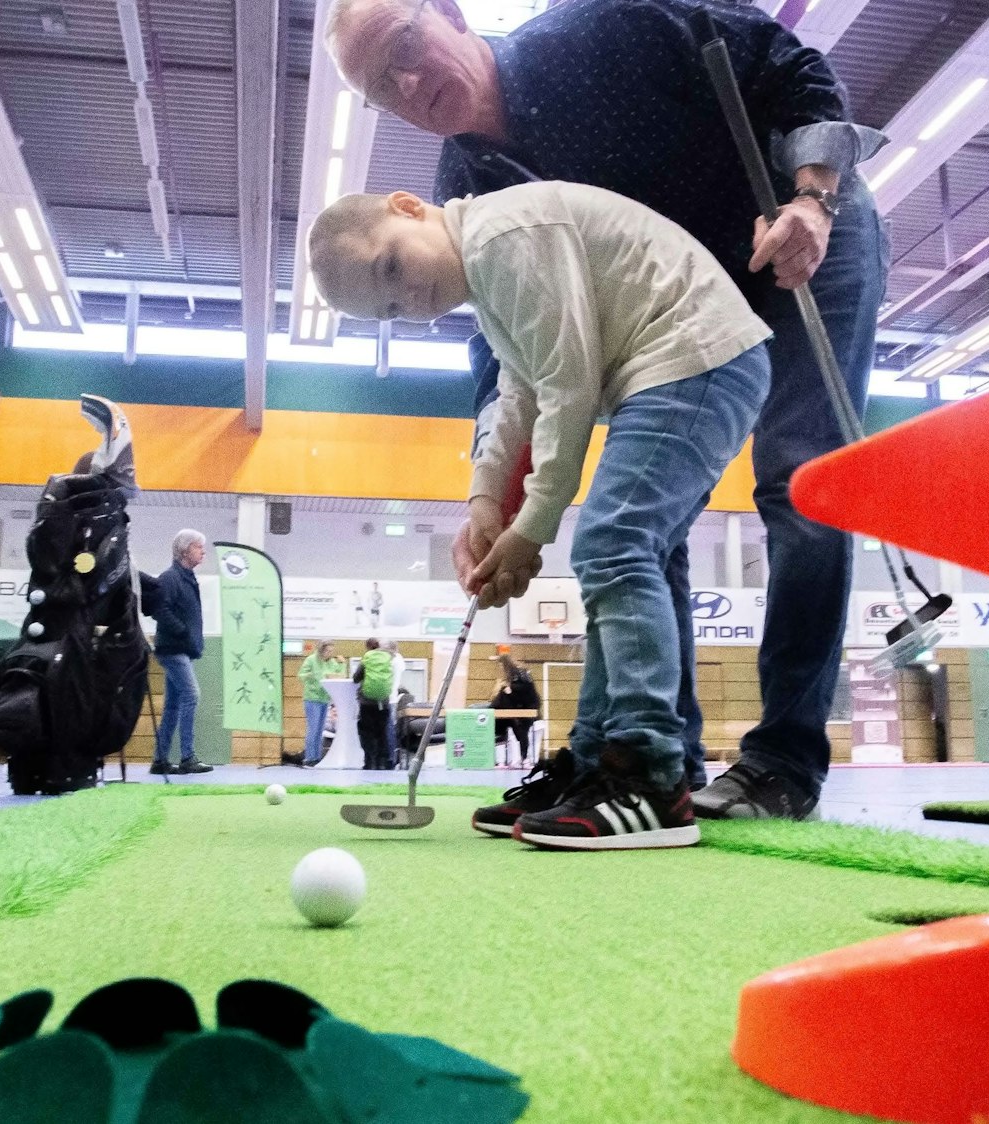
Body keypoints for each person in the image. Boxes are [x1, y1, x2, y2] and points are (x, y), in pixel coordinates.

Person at [326, 0, 886, 821]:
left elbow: (784, 65)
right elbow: (507, 360)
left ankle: (783, 761)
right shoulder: (466, 193)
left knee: (800, 483)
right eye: (381, 85)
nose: (406, 81)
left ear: (447, 13)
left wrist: (813, 199)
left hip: (793, 236)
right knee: (638, 519)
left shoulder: (601, 32)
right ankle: (650, 752)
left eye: (406, 46)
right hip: (675, 320)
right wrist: (494, 496)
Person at [309, 179, 769, 849]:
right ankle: (596, 764)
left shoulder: (503, 237)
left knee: (613, 543)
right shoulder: (491, 284)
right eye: (388, 308)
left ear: (409, 208)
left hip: (694, 355)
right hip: (690, 364)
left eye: (392, 268)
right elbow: (517, 391)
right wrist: (486, 503)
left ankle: (646, 775)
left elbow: (568, 383)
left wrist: (531, 527)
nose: (407, 299)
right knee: (634, 551)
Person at [140, 530, 213, 775]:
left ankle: (160, 760)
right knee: (191, 695)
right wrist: (182, 631)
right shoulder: (171, 578)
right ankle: (187, 757)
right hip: (173, 649)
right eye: (198, 547)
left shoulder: (186, 577)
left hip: (180, 649)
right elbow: (160, 609)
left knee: (172, 705)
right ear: (184, 550)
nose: (203, 551)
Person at [285, 640, 339, 767]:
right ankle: (310, 757)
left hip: (325, 698)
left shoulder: (332, 662)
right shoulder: (311, 660)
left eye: (331, 651)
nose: (330, 653)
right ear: (321, 650)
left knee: (320, 730)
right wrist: (310, 675)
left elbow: (336, 674)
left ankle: (318, 757)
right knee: (313, 729)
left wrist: (341, 664)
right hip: (312, 698)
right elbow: (301, 675)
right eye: (328, 651)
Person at [490, 651, 541, 767]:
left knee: (522, 731)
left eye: (501, 666)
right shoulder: (510, 677)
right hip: (514, 708)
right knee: (501, 729)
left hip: (527, 707)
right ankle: (502, 760)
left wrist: (510, 689)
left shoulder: (521, 673)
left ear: (505, 664)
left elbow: (527, 689)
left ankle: (525, 758)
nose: (500, 668)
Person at [354, 637, 396, 769]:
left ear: (367, 647)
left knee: (367, 732)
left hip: (367, 702)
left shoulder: (367, 657)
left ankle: (369, 762)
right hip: (383, 701)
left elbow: (356, 678)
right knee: (382, 731)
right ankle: (382, 762)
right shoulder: (388, 658)